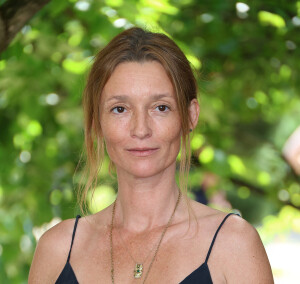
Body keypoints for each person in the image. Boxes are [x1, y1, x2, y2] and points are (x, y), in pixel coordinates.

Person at [28, 27, 274, 283]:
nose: (141, 129)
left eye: (160, 107)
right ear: (95, 122)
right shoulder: (57, 250)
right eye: (120, 109)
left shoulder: (234, 245)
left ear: (190, 116)